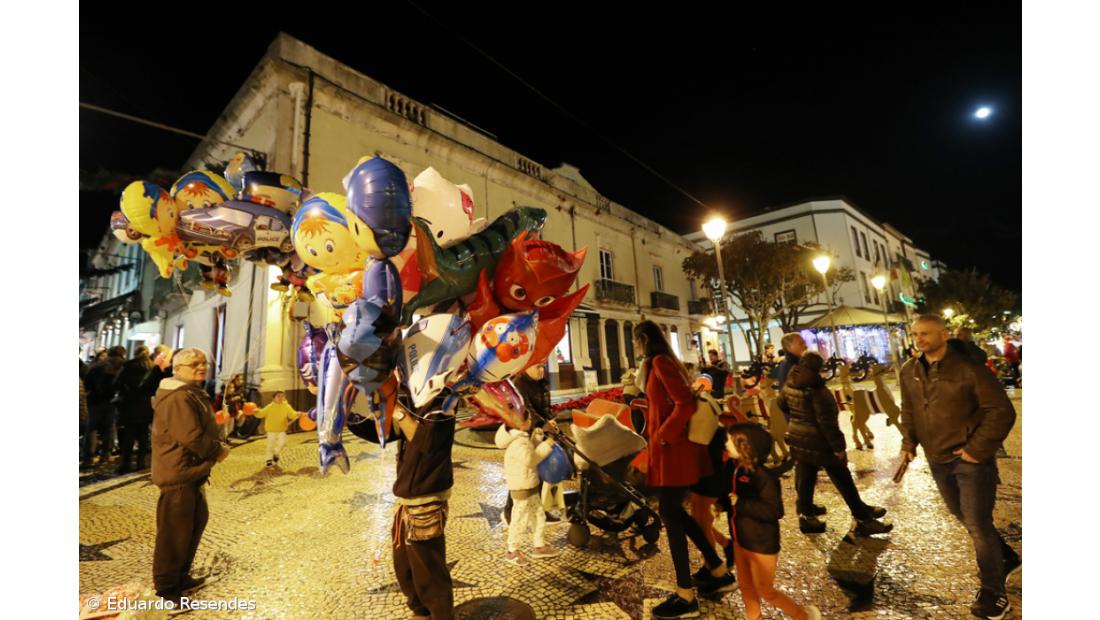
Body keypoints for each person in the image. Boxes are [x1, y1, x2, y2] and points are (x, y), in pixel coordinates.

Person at [900, 315, 1020, 620]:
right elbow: (910, 409)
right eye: (915, 334)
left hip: (969, 463)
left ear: (943, 334)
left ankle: (993, 593)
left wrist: (976, 450)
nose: (919, 339)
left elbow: (1002, 411)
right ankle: (1003, 557)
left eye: (925, 334)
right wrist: (908, 442)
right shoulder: (910, 370)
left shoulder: (969, 368)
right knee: (964, 516)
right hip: (936, 459)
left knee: (978, 525)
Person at [635, 321, 735, 618]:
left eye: (636, 342)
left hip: (673, 452)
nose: (636, 347)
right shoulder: (658, 362)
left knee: (672, 517)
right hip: (669, 451)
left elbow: (684, 403)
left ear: (642, 339)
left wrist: (663, 435)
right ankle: (717, 569)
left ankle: (685, 594)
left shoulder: (662, 362)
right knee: (674, 513)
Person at [779, 352, 892, 535]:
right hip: (820, 442)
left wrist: (799, 419)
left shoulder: (790, 383)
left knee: (805, 473)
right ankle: (862, 518)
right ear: (820, 370)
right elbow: (828, 423)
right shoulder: (818, 391)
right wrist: (838, 448)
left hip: (798, 437)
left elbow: (781, 404)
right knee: (842, 476)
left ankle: (807, 516)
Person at [151, 348, 229, 604]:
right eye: (194, 363)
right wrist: (217, 450)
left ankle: (181, 577)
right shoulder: (177, 397)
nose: (200, 366)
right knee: (174, 533)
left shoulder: (191, 392)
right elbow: (190, 436)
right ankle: (166, 588)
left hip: (192, 472)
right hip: (178, 473)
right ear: (178, 369)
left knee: (193, 525)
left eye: (203, 362)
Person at [725, 423, 822, 620]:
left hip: (761, 545)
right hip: (740, 538)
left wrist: (740, 503)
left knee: (765, 590)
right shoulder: (739, 470)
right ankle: (754, 617)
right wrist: (722, 505)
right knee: (745, 584)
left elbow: (774, 511)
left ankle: (803, 617)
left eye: (730, 440)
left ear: (745, 447)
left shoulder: (763, 478)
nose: (725, 443)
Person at [391, 395, 457, 620]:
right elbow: (386, 433)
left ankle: (440, 615)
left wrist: (397, 411)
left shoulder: (442, 400)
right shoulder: (410, 395)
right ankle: (420, 612)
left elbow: (428, 443)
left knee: (429, 571)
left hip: (426, 498)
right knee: (405, 567)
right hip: (405, 499)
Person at [494, 413, 561, 564]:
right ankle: (512, 551)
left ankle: (539, 546)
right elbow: (531, 459)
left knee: (538, 515)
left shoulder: (522, 438)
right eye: (528, 419)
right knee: (519, 520)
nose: (531, 421)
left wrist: (539, 434)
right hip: (522, 488)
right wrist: (548, 443)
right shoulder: (518, 443)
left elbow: (530, 447)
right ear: (519, 423)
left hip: (529, 484)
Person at [507, 364, 563, 525]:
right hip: (526, 431)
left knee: (539, 473)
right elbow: (526, 410)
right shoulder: (519, 384)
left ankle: (539, 509)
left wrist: (551, 420)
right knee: (522, 475)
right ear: (527, 367)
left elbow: (545, 408)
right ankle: (510, 511)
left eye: (543, 367)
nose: (542, 370)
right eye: (538, 367)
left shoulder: (542, 383)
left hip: (540, 431)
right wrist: (542, 424)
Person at [113, 346, 155, 474]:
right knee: (143, 436)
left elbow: (117, 383)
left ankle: (125, 464)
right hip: (147, 406)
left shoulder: (128, 366)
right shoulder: (152, 367)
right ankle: (141, 463)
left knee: (129, 436)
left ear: (135, 353)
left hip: (130, 405)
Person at [83, 345, 126, 468]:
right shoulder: (124, 366)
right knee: (109, 428)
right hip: (113, 401)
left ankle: (88, 457)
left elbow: (87, 381)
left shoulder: (98, 365)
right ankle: (105, 456)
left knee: (91, 429)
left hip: (95, 401)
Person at [255, 391, 298, 468]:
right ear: (274, 398)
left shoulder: (287, 406)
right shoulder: (270, 407)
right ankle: (269, 460)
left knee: (282, 443)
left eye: (282, 396)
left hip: (282, 430)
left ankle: (276, 453)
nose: (281, 398)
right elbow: (261, 413)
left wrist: (297, 414)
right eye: (278, 396)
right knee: (270, 445)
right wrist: (256, 412)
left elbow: (292, 414)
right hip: (271, 430)